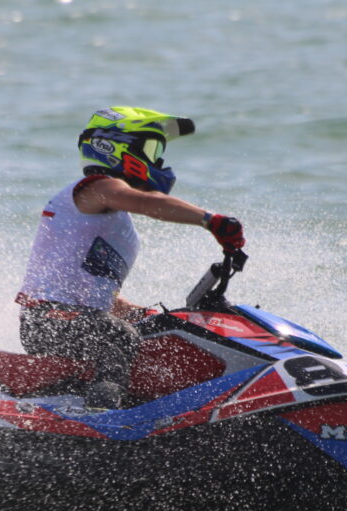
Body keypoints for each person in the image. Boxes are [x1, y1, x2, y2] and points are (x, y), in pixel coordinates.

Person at [15, 106, 245, 409]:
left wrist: (157, 316)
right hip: (46, 320)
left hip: (79, 320)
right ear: (112, 147)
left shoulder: (113, 222)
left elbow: (100, 296)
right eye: (150, 148)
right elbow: (147, 201)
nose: (157, 160)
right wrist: (210, 220)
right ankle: (99, 414)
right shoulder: (96, 189)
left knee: (159, 335)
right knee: (117, 334)